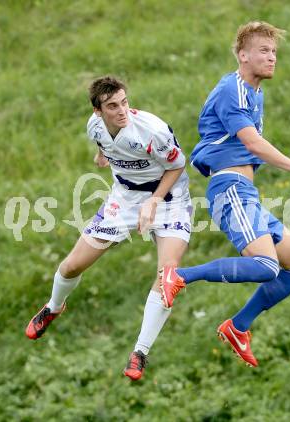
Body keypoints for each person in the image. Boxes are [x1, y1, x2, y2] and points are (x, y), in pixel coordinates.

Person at [159, 21, 290, 367]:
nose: (272, 57)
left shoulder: (254, 92)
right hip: (229, 190)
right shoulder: (232, 90)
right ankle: (179, 276)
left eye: (274, 51)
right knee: (265, 266)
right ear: (242, 55)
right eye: (264, 50)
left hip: (246, 192)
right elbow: (252, 143)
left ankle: (238, 326)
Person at [26, 76, 192, 381]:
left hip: (170, 200)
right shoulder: (95, 126)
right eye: (113, 106)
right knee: (73, 265)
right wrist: (103, 155)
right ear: (98, 111)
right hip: (124, 199)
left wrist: (154, 201)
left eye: (124, 102)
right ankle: (53, 306)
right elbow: (102, 143)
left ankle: (140, 351)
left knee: (167, 277)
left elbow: (178, 164)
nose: (122, 110)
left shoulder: (152, 130)